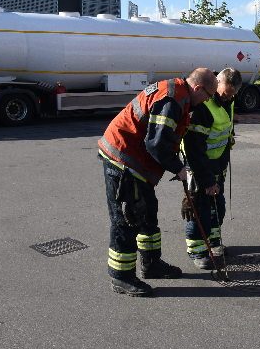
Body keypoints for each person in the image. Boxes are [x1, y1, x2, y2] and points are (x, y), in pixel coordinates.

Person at [98, 68, 218, 297]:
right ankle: (121, 277)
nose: (207, 101)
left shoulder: (180, 94)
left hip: (137, 163)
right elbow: (156, 144)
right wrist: (179, 169)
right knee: (126, 218)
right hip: (123, 159)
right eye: (208, 96)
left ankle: (151, 264)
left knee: (147, 212)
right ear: (198, 88)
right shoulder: (172, 99)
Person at [181, 68, 242, 269]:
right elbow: (194, 149)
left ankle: (214, 242)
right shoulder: (203, 107)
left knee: (217, 206)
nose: (227, 97)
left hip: (217, 165)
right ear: (217, 84)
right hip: (198, 165)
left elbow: (225, 128)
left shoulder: (228, 101)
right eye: (224, 93)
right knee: (198, 208)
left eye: (232, 94)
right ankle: (197, 250)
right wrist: (206, 180)